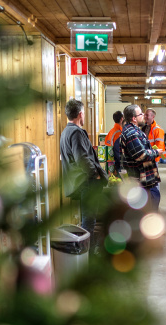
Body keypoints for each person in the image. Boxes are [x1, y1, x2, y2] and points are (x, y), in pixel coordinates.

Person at [60, 99, 109, 254]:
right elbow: (82, 158)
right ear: (81, 114)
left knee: (88, 219)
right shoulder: (75, 132)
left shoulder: (66, 131)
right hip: (86, 183)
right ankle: (86, 256)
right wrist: (96, 175)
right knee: (89, 221)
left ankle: (86, 252)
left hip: (79, 183)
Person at [120, 104, 163, 211]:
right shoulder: (131, 133)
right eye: (140, 114)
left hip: (145, 182)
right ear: (134, 118)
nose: (143, 115)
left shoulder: (135, 130)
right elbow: (141, 155)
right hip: (141, 183)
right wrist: (156, 152)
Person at [105, 111, 125, 176]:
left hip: (109, 162)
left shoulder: (111, 131)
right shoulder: (118, 133)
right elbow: (118, 151)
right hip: (116, 163)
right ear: (122, 119)